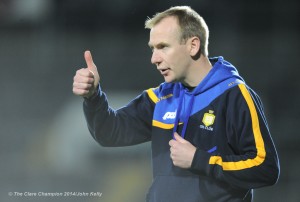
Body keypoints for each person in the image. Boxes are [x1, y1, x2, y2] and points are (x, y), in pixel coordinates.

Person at [72, 6, 280, 202]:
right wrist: (93, 96)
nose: (154, 58)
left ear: (193, 45)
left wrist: (201, 160)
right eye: (152, 49)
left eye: (163, 47)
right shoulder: (159, 99)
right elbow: (110, 133)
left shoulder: (234, 96)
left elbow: (266, 167)